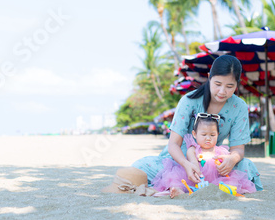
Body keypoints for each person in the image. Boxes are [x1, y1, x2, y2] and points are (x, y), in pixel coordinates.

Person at [103, 55, 262, 194]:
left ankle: (192, 186)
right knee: (141, 166)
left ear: (237, 84)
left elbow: (238, 149)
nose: (222, 91)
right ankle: (187, 184)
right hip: (178, 162)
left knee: (247, 167)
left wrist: (232, 160)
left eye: (230, 86)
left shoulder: (239, 106)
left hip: (213, 163)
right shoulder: (189, 101)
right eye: (218, 84)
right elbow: (173, 144)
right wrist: (187, 164)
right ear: (209, 77)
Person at [151, 113, 257, 198]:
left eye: (212, 135)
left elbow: (227, 163)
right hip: (194, 178)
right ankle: (177, 190)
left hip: (215, 180)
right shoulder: (193, 150)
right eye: (204, 135)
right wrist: (195, 167)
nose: (208, 138)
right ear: (194, 134)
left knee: (231, 181)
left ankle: (223, 193)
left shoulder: (221, 151)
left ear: (218, 135)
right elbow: (193, 163)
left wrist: (225, 165)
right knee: (174, 178)